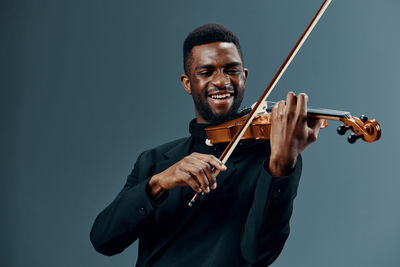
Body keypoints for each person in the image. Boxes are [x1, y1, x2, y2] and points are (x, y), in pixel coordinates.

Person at [90, 23, 322, 267]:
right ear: (187, 83)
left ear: (244, 77)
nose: (221, 81)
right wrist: (158, 183)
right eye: (206, 72)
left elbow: (259, 254)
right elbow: (104, 240)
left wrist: (281, 165)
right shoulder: (154, 161)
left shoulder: (272, 158)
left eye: (231, 70)